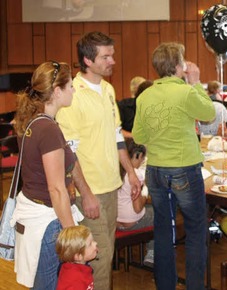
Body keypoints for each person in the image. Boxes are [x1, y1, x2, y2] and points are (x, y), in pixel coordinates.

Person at [56, 31, 142, 290]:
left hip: (111, 187)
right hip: (89, 193)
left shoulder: (107, 89)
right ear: (88, 60)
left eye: (112, 54)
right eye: (106, 56)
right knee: (99, 260)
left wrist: (131, 173)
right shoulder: (72, 95)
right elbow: (69, 154)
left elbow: (117, 136)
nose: (112, 61)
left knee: (105, 256)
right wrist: (86, 193)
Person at [132, 42, 215, 290]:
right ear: (179, 66)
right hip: (184, 169)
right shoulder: (187, 92)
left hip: (155, 171)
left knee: (163, 232)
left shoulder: (145, 95)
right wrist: (196, 81)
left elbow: (138, 136)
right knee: (196, 231)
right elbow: (209, 112)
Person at [11, 61, 84, 289]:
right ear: (57, 91)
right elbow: (56, 188)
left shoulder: (33, 122)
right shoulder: (48, 129)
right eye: (70, 85)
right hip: (47, 223)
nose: (73, 89)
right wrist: (73, 233)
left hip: (35, 215)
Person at [116, 138, 154, 266]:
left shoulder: (116, 170)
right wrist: (146, 189)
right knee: (158, 212)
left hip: (115, 222)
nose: (142, 161)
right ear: (136, 155)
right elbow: (137, 207)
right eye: (142, 158)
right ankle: (152, 252)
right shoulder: (135, 175)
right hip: (131, 223)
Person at [55, 225, 98, 290]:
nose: (95, 243)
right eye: (90, 244)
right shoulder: (75, 279)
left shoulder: (78, 268)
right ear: (78, 256)